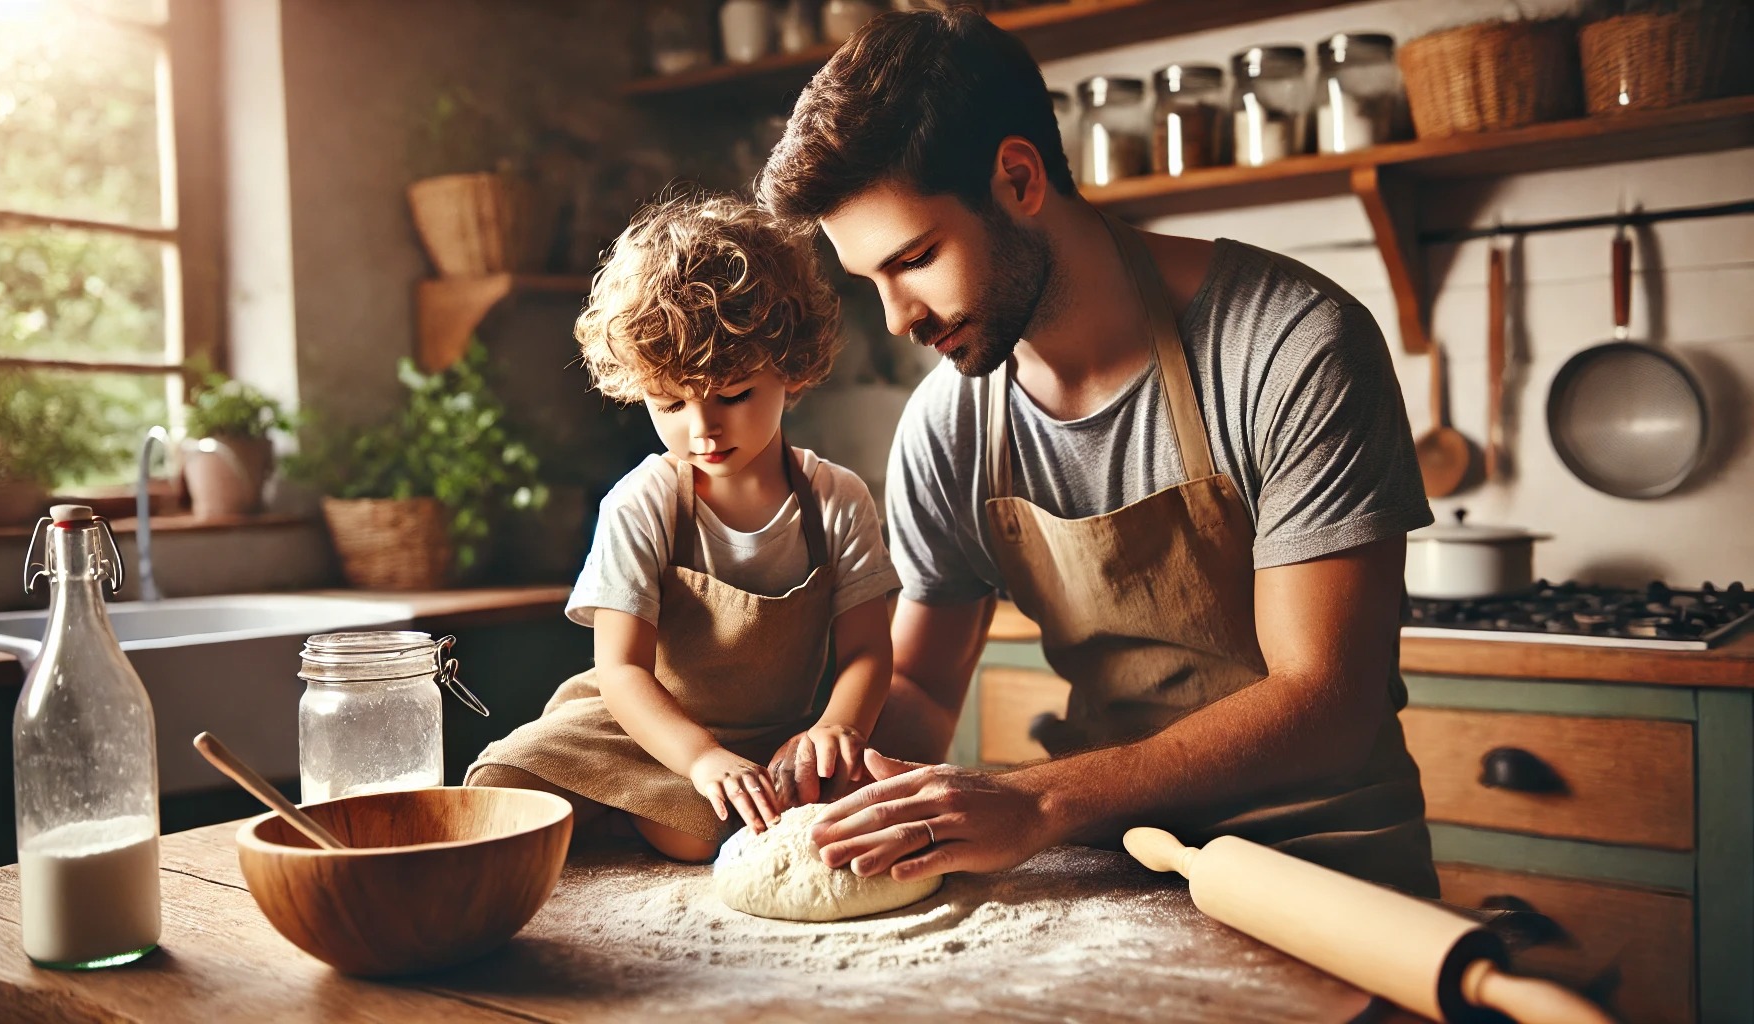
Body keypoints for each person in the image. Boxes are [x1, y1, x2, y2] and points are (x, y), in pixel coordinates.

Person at [755, 8, 1439, 895]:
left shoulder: (1291, 344)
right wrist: (828, 758)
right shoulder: (950, 424)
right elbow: (922, 689)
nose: (898, 318)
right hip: (1111, 864)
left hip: (1330, 872)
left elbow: (1327, 702)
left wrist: (1037, 804)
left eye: (915, 259)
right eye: (871, 282)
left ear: (1018, 178)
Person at [465, 193, 900, 862]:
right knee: (502, 786)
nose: (702, 430)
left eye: (732, 396)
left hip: (769, 740)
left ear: (791, 369)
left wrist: (835, 728)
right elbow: (621, 673)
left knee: (710, 830)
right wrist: (699, 758)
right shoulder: (644, 503)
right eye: (669, 403)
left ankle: (629, 817)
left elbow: (868, 651)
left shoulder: (837, 501)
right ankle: (629, 805)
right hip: (636, 727)